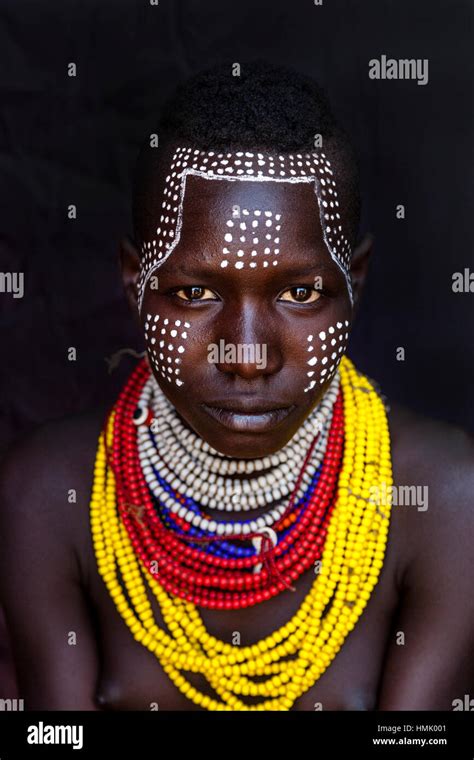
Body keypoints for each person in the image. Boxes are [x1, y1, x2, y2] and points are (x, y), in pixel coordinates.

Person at [1, 61, 473, 711]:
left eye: (301, 292)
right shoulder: (47, 496)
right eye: (193, 293)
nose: (247, 353)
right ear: (135, 283)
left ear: (354, 284)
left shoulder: (444, 501)